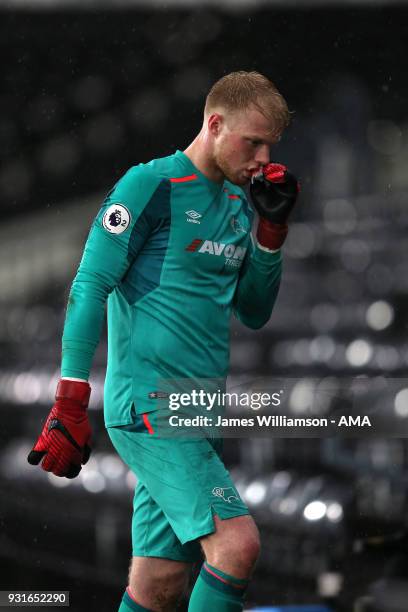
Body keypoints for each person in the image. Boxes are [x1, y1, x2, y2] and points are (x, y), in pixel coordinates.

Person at [27, 71, 299, 612]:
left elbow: (254, 311)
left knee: (160, 586)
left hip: (199, 413)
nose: (263, 159)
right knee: (237, 545)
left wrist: (271, 236)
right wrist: (70, 397)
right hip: (152, 407)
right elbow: (89, 284)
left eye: (270, 145)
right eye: (253, 142)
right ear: (215, 124)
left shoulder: (238, 206)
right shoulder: (149, 185)